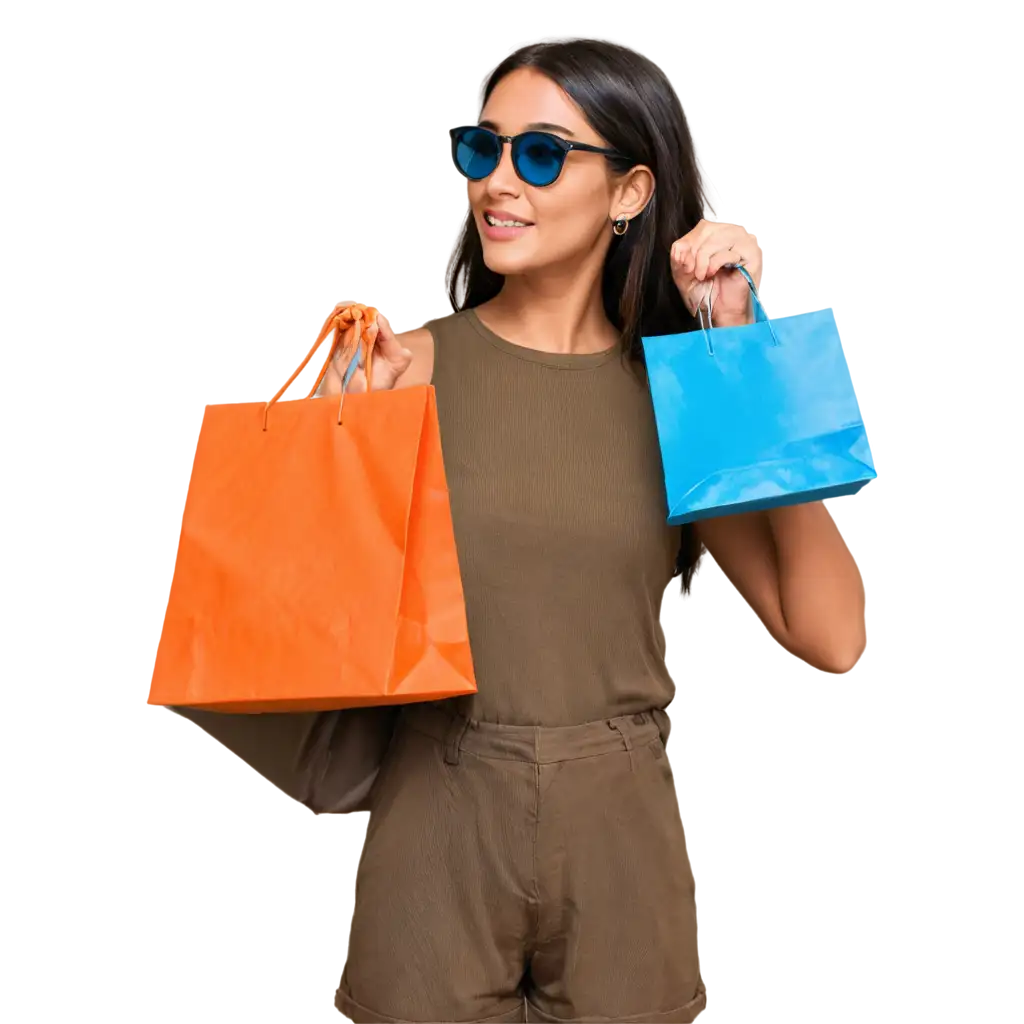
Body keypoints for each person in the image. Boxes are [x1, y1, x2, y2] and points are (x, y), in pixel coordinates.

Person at [299, 36, 865, 1024]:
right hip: (437, 807)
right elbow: (311, 624)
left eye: (543, 154)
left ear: (630, 193)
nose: (499, 183)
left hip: (619, 827)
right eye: (484, 149)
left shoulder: (678, 398)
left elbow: (830, 634)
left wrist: (742, 357)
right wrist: (343, 436)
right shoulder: (407, 362)